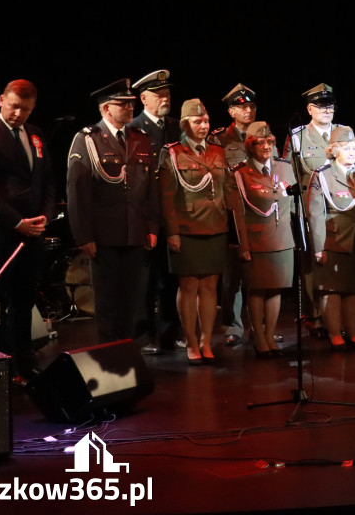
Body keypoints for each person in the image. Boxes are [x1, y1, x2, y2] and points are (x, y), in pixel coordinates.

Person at [0, 79, 56, 381]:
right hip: (1, 234)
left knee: (23, 300)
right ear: (2, 100)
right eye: (15, 106)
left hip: (32, 233)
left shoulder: (35, 135)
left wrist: (44, 215)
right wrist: (17, 222)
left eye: (26, 109)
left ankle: (24, 360)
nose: (19, 113)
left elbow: (46, 180)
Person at [66, 79, 159, 345]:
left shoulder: (140, 139)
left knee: (130, 300)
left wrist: (152, 227)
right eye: (123, 104)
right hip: (104, 235)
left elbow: (150, 188)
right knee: (107, 302)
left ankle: (126, 353)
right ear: (106, 108)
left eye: (131, 103)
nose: (130, 108)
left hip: (135, 232)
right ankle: (109, 355)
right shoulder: (88, 139)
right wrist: (84, 235)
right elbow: (77, 192)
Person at [159, 99, 246, 365]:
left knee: (210, 286)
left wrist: (238, 232)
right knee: (188, 286)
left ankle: (207, 342)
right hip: (186, 230)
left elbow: (229, 190)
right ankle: (192, 343)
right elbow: (166, 197)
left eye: (206, 121)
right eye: (198, 122)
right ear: (186, 124)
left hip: (215, 228)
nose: (204, 126)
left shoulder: (218, 152)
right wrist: (172, 232)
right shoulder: (173, 153)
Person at [307, 126, 355, 350]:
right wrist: (319, 247)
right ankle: (335, 334)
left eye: (354, 148)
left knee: (354, 288)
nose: (351, 152)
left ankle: (354, 333)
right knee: (333, 289)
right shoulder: (323, 174)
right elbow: (315, 213)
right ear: (334, 150)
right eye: (346, 148)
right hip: (334, 240)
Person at [231, 121, 297, 357]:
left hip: (282, 238)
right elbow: (238, 213)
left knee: (276, 289)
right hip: (256, 240)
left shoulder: (285, 168)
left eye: (270, 142)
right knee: (258, 290)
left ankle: (270, 335)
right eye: (260, 143)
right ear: (250, 146)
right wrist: (243, 246)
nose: (267, 147)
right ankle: (258, 337)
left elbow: (292, 205)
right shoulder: (241, 173)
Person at [128, 69, 182, 352]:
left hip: (173, 213)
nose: (165, 98)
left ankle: (171, 332)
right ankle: (143, 334)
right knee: (145, 281)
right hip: (147, 214)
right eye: (159, 94)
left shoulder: (176, 127)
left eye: (167, 93)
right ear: (143, 98)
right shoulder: (134, 129)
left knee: (172, 277)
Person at [284, 83, 339, 338]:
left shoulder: (344, 132)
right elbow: (291, 176)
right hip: (311, 209)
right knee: (312, 264)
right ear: (309, 109)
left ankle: (335, 316)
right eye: (321, 106)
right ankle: (314, 314)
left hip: (340, 209)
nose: (327, 110)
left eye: (330, 106)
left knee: (338, 262)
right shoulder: (298, 137)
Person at [210, 83, 257, 348]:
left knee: (259, 274)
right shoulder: (219, 139)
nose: (247, 110)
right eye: (242, 106)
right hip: (232, 211)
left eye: (251, 106)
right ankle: (232, 326)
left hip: (260, 212)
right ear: (231, 112)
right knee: (233, 276)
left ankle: (260, 326)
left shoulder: (263, 133)